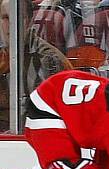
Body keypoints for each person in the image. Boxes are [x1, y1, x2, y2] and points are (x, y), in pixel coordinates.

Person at [0, 0, 72, 131]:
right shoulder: (3, 56)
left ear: (28, 20)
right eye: (5, 18)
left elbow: (49, 115)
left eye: (15, 18)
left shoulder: (47, 59)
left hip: (30, 136)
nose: (10, 25)